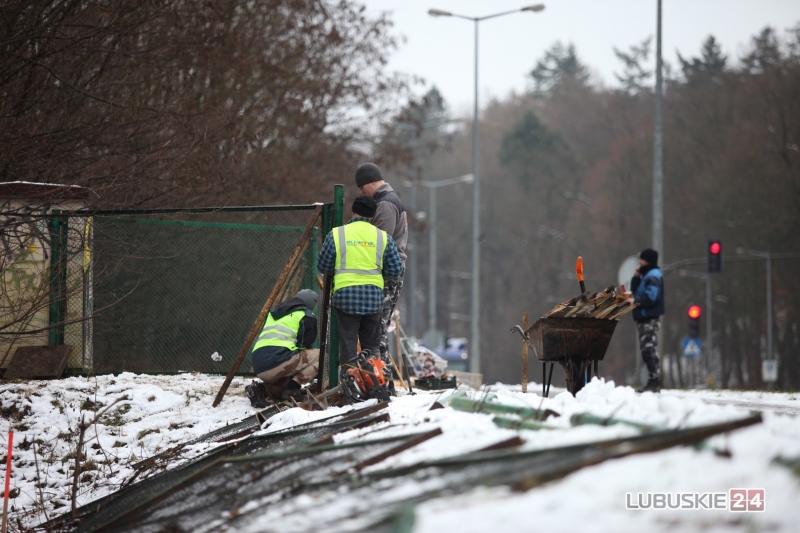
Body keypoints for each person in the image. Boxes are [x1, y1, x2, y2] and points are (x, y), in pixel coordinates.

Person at [317, 195, 403, 397]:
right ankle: (377, 386)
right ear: (372, 217)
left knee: (348, 351)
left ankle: (352, 391)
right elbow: (395, 270)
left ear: (353, 212)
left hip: (345, 299)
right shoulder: (382, 238)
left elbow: (323, 266)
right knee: (372, 350)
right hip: (374, 300)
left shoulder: (337, 235)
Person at [354, 163, 408, 375]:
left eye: (361, 186)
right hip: (391, 270)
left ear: (370, 182)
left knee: (377, 328)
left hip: (387, 272)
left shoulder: (384, 205)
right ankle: (380, 376)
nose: (360, 192)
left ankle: (382, 376)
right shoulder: (391, 199)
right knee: (378, 325)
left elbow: (380, 243)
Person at [245, 289, 319, 407]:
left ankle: (261, 390)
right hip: (277, 362)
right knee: (323, 356)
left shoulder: (274, 312)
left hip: (258, 364)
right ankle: (292, 390)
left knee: (284, 386)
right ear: (311, 304)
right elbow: (304, 344)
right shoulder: (305, 315)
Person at [629, 248, 665, 393]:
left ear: (648, 260)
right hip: (644, 317)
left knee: (649, 349)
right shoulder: (646, 275)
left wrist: (636, 301)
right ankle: (653, 380)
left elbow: (651, 296)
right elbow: (636, 290)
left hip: (649, 317)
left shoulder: (653, 276)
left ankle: (655, 380)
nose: (639, 262)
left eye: (642, 259)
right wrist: (636, 277)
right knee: (646, 349)